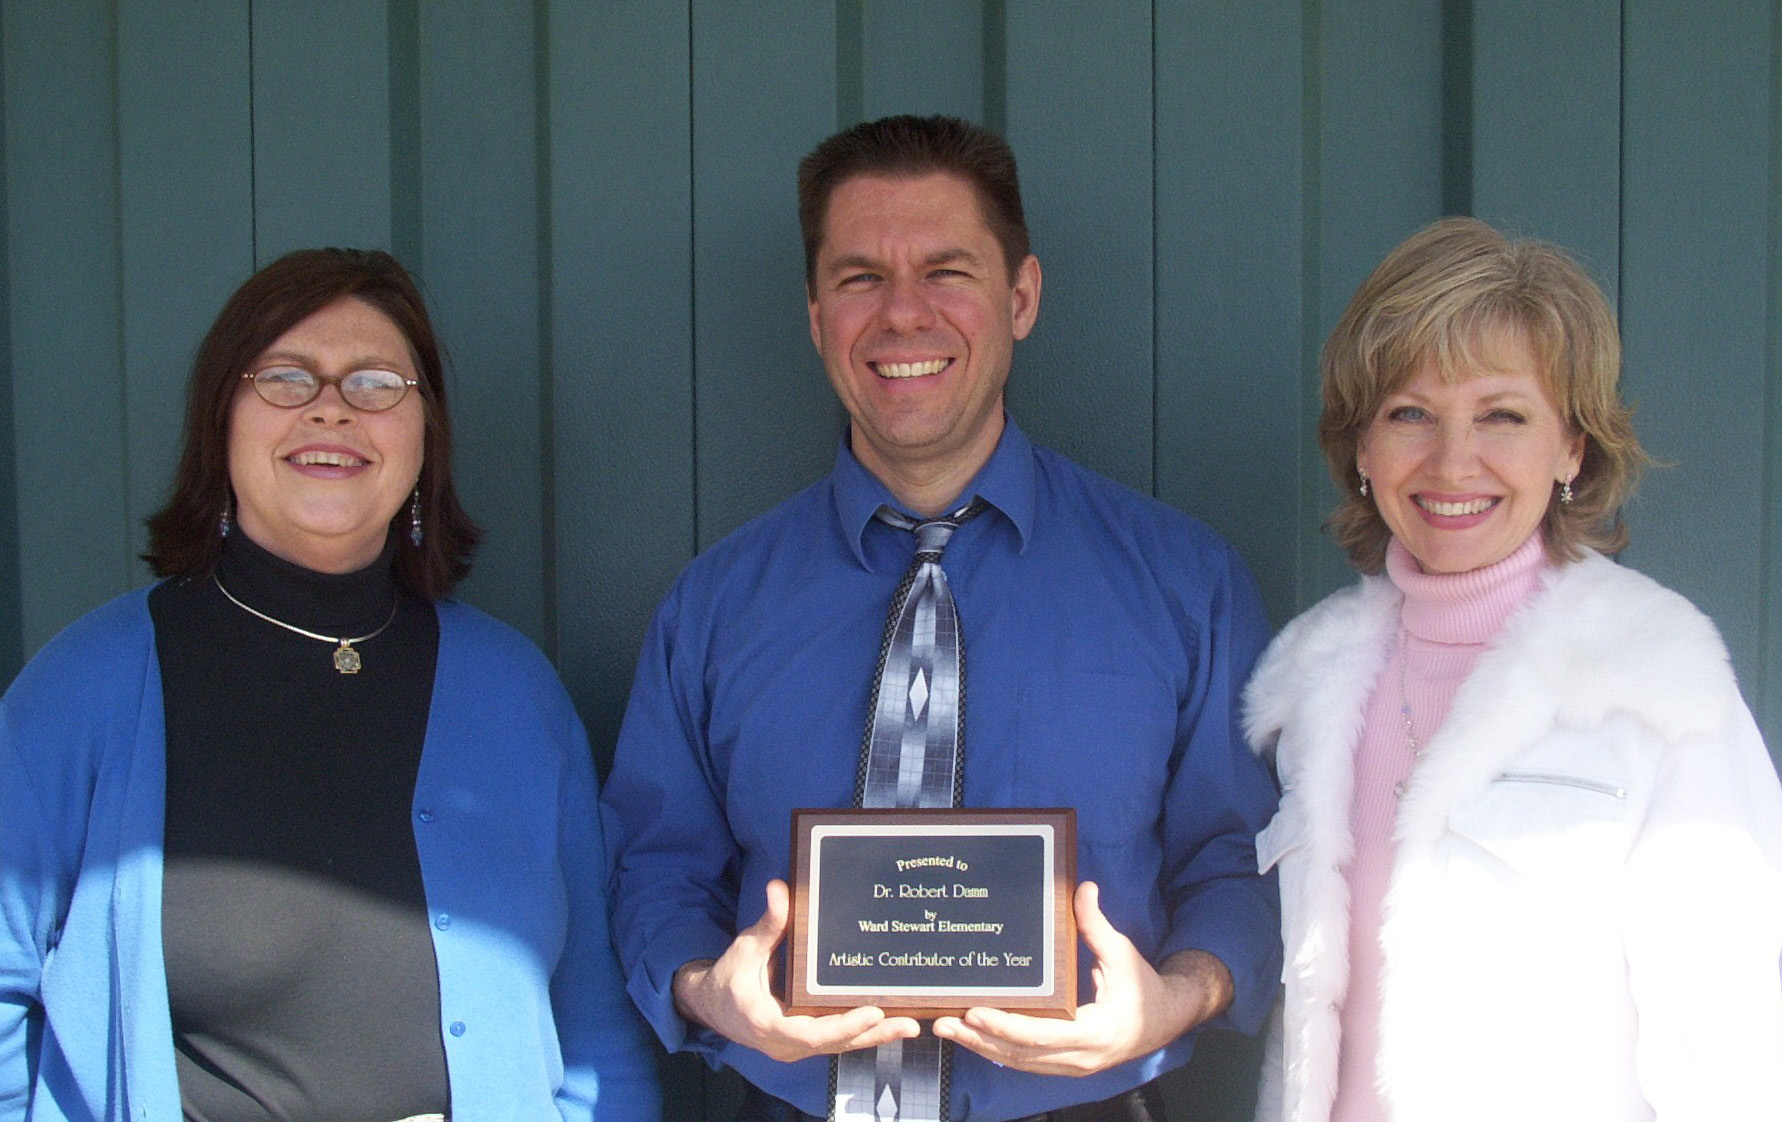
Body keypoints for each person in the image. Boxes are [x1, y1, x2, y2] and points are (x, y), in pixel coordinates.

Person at [601, 115, 1280, 1122]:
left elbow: (1239, 859)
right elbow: (656, 863)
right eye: (860, 277)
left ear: (1021, 298)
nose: (902, 315)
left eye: (947, 272)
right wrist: (709, 990)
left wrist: (1175, 998)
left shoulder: (1182, 585)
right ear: (815, 311)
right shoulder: (716, 606)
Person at [0, 249, 661, 1121]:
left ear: (424, 435)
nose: (331, 408)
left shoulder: (514, 693)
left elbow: (593, 1024)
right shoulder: (88, 688)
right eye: (285, 377)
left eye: (377, 382)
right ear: (220, 421)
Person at [1248, 216, 1782, 1120]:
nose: (1455, 461)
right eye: (1410, 413)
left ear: (1571, 446)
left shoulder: (1656, 679)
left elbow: (1732, 1037)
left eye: (1504, 415)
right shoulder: (1310, 679)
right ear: (1364, 450)